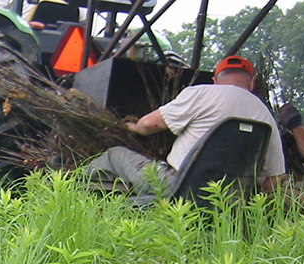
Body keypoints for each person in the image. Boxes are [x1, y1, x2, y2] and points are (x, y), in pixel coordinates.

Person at [85, 55, 287, 194]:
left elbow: (149, 124)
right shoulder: (265, 115)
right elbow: (275, 180)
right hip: (229, 199)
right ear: (252, 83)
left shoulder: (203, 93)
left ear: (215, 80)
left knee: (115, 155)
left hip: (178, 186)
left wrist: (133, 128)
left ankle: (74, 192)